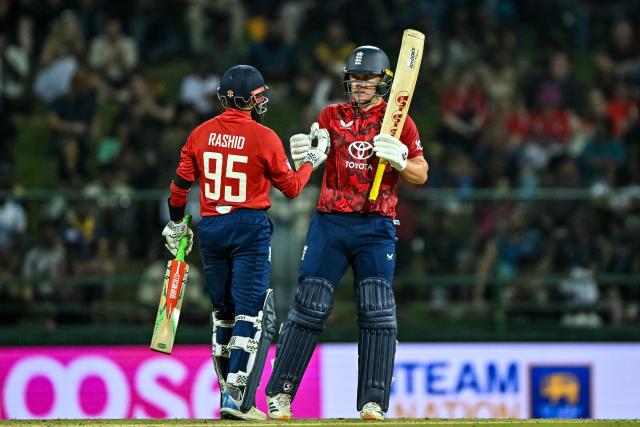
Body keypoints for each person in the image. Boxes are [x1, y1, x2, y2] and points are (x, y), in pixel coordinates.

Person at [265, 46, 429, 420]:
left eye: (367, 80)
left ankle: (372, 402)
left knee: (377, 311)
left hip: (376, 224)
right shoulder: (329, 115)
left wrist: (402, 159)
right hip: (331, 221)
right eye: (354, 79)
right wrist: (305, 152)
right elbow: (312, 155)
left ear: (384, 83)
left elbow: (422, 173)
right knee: (309, 306)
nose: (359, 86)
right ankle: (280, 394)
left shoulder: (400, 121)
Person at [161, 65, 328, 420]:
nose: (262, 100)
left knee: (223, 314)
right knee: (248, 315)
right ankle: (236, 397)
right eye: (258, 96)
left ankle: (227, 392)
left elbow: (177, 190)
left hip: (212, 227)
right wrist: (311, 161)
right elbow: (293, 189)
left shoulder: (199, 134)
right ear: (246, 99)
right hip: (249, 227)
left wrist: (177, 225)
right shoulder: (264, 137)